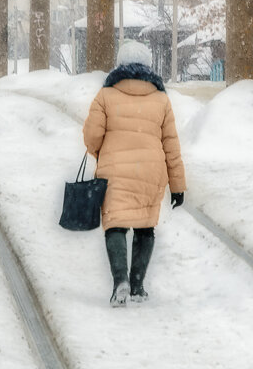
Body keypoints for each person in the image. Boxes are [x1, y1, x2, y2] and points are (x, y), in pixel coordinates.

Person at [83, 39, 186, 307]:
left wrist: (100, 152)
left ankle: (121, 282)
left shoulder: (105, 95)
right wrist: (177, 186)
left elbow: (92, 137)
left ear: (120, 64)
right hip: (151, 171)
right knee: (144, 226)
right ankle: (138, 285)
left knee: (115, 224)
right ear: (148, 66)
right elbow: (171, 146)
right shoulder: (161, 99)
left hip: (114, 171)